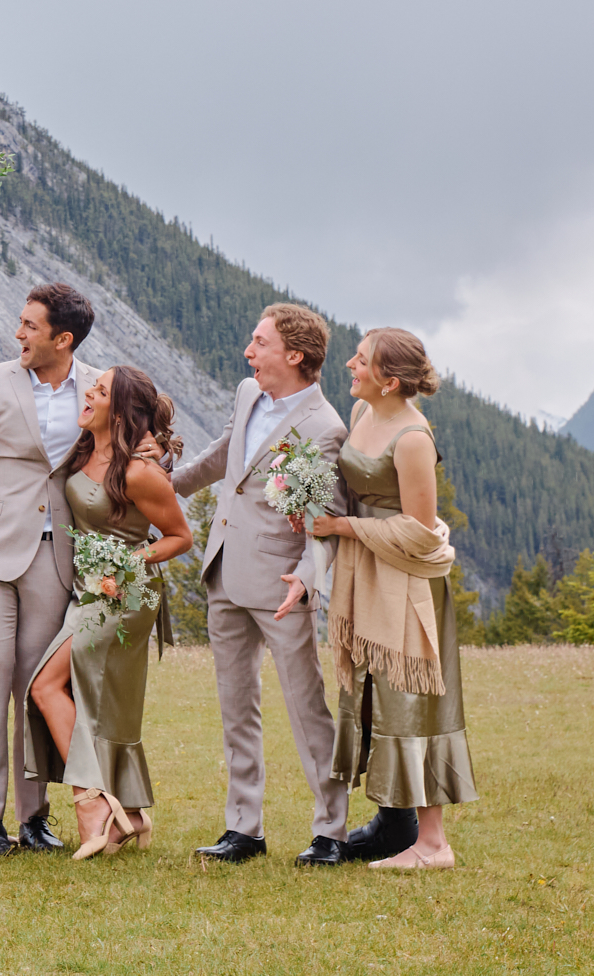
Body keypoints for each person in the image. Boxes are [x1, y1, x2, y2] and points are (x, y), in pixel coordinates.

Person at [168, 302, 349, 865]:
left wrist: (304, 576)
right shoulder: (249, 395)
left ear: (294, 354)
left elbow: (325, 515)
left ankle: (331, 829)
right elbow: (225, 457)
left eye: (259, 343)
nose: (249, 352)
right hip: (222, 569)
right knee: (235, 705)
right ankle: (243, 828)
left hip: (281, 586)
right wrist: (164, 487)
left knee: (307, 706)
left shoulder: (325, 428)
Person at [0, 281, 105, 857]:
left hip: (57, 556)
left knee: (35, 688)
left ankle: (34, 819)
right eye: (20, 322)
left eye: (31, 326)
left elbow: (123, 450)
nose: (18, 334)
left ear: (64, 338)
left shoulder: (99, 386)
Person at [310, 328, 478, 870]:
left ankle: (433, 844)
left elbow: (421, 532)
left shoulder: (411, 438)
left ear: (391, 380)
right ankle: (393, 821)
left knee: (409, 694)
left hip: (406, 581)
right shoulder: (364, 416)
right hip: (367, 574)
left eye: (361, 361)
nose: (350, 367)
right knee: (376, 692)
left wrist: (344, 526)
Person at [25, 365, 192, 859]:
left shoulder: (140, 472)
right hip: (87, 591)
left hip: (126, 595)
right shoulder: (85, 449)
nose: (87, 394)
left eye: (98, 392)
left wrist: (126, 565)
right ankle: (131, 812)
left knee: (44, 685)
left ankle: (91, 802)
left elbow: (180, 538)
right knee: (98, 703)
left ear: (118, 411)